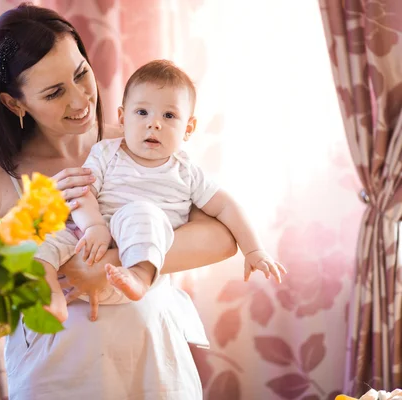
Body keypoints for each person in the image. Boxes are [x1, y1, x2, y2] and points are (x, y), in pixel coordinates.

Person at [0, 3, 238, 399]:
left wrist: (111, 263)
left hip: (155, 367)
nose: (80, 99)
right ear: (13, 103)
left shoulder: (135, 140)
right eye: (54, 92)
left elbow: (222, 237)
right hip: (56, 379)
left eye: (81, 73)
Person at [35, 59, 286, 304]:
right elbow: (83, 192)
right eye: (142, 112)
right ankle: (52, 297)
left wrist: (253, 250)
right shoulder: (106, 152)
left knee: (141, 211)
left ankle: (140, 276)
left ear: (188, 128)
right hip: (92, 251)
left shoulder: (186, 171)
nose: (154, 123)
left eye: (169, 115)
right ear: (123, 118)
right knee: (42, 238)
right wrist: (94, 227)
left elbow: (226, 206)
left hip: (131, 274)